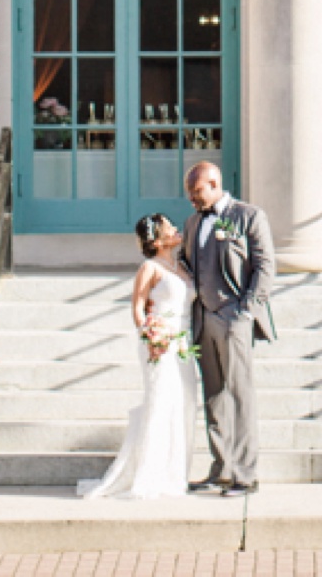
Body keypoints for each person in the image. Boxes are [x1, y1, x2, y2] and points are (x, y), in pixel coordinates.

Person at [79, 213, 195, 500]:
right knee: (160, 404)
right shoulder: (150, 268)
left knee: (184, 404)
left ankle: (174, 473)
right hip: (160, 344)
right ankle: (150, 476)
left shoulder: (180, 266)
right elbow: (138, 308)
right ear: (157, 239)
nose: (177, 229)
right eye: (171, 228)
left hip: (184, 344)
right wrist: (150, 335)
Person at [181, 160, 275, 496]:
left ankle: (245, 474)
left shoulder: (248, 216)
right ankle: (220, 468)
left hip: (234, 317)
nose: (192, 199)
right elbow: (187, 264)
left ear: (214, 183)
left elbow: (265, 267)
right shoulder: (193, 222)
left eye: (196, 192)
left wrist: (246, 312)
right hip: (203, 318)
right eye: (189, 194)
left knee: (240, 395)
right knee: (214, 395)